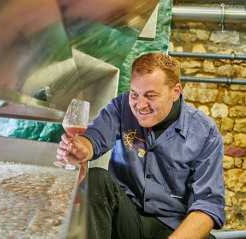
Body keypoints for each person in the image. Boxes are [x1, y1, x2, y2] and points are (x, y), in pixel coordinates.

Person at [56, 52, 225, 239]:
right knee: (97, 179)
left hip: (174, 228)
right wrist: (83, 148)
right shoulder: (122, 107)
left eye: (151, 95)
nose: (140, 104)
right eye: (134, 94)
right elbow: (95, 137)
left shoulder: (205, 132)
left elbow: (208, 205)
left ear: (175, 92)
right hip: (127, 218)